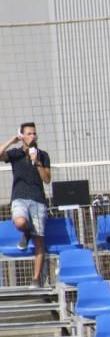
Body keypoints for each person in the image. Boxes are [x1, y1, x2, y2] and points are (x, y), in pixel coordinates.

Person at [0, 123, 51, 287]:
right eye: (29, 133)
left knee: (39, 242)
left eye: (34, 134)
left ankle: (36, 279)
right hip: (20, 197)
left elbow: (47, 179)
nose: (33, 136)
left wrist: (37, 162)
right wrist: (12, 141)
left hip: (37, 200)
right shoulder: (16, 154)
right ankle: (26, 231)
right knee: (20, 222)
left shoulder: (43, 155)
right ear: (22, 135)